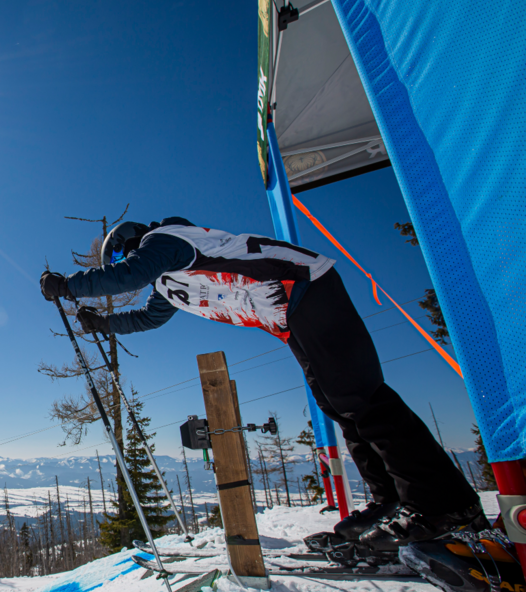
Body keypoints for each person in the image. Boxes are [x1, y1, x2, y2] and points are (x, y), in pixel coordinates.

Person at [40, 217, 486, 552]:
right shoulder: (168, 280)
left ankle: (443, 504)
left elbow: (128, 275)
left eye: (118, 256)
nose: (122, 264)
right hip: (291, 316)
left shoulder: (166, 242)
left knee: (361, 398)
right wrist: (104, 324)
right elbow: (150, 317)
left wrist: (70, 285)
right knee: (340, 405)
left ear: (126, 243)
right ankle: (392, 500)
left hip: (308, 288)